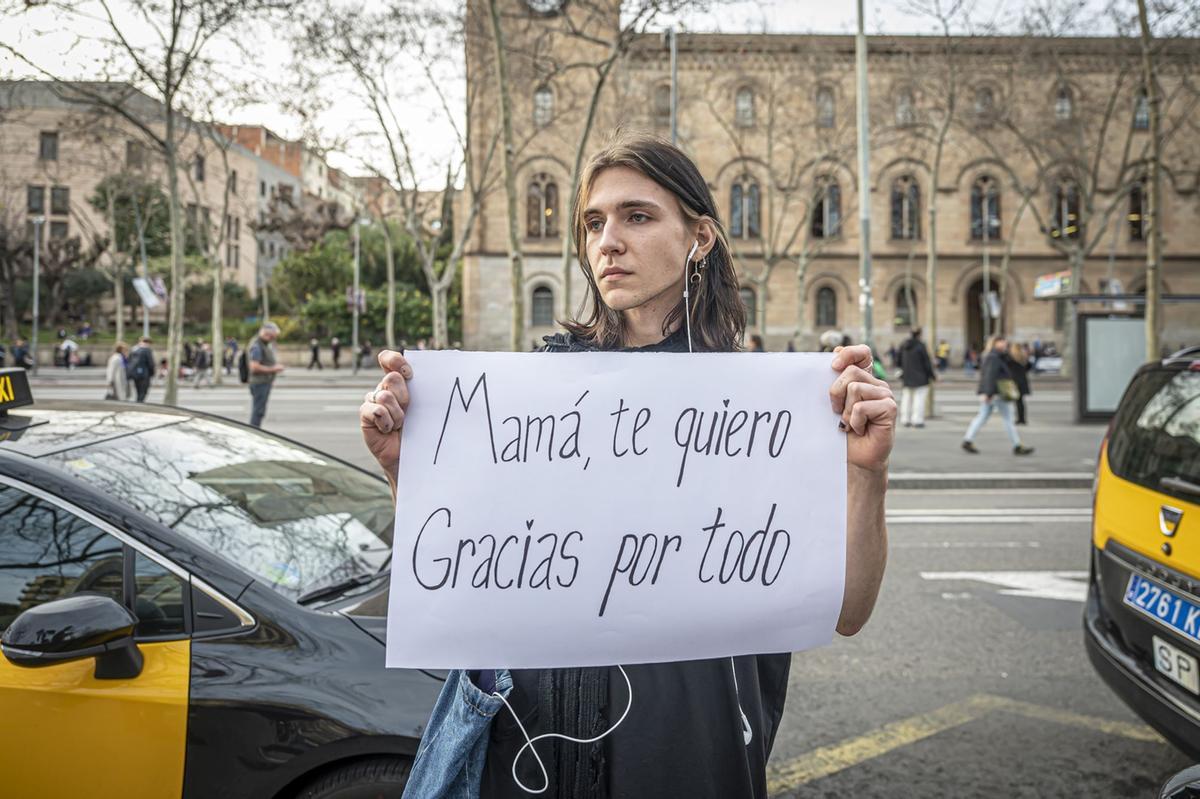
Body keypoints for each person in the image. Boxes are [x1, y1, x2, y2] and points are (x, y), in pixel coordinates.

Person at [359, 133, 894, 799]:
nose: (607, 240)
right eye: (594, 222)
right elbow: (468, 565)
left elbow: (847, 609)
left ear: (699, 237)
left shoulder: (765, 409)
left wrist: (866, 474)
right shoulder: (535, 393)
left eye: (637, 216)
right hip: (532, 748)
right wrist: (405, 469)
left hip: (685, 752)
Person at [962, 334, 1034, 455]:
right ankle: (1017, 445)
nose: (1006, 344)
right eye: (1003, 342)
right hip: (997, 393)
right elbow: (990, 376)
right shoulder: (993, 357)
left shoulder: (996, 356)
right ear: (996, 343)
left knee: (982, 417)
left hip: (993, 393)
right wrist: (988, 393)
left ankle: (968, 440)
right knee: (1007, 419)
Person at [898, 327, 936, 428]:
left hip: (907, 376)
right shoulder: (921, 346)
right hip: (920, 377)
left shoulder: (904, 345)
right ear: (919, 334)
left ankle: (905, 419)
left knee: (906, 398)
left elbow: (898, 359)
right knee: (919, 399)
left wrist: (903, 369)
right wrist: (932, 375)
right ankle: (917, 420)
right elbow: (926, 362)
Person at [248, 322, 284, 427]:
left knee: (259, 411)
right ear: (266, 334)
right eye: (272, 336)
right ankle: (254, 433)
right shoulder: (257, 345)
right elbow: (254, 367)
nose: (273, 339)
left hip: (263, 382)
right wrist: (274, 368)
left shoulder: (262, 344)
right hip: (260, 383)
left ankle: (255, 430)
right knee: (258, 412)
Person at [1008, 342, 1032, 425]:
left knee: (1015, 401)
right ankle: (1022, 418)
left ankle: (1019, 419)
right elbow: (1029, 367)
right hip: (1022, 381)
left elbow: (1007, 368)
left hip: (1014, 381)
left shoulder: (1011, 358)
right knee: (1020, 401)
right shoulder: (1023, 357)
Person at [128, 337, 155, 402]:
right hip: (144, 375)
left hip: (135, 374)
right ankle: (139, 405)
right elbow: (151, 363)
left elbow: (129, 361)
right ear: (148, 343)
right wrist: (152, 373)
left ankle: (138, 403)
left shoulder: (133, 349)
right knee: (143, 392)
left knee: (138, 391)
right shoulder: (147, 350)